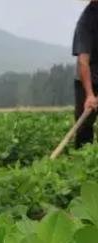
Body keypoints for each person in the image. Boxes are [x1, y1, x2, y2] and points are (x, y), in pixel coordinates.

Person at [73, 0, 98, 148]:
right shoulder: (86, 22)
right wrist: (89, 95)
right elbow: (83, 62)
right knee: (84, 128)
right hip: (87, 79)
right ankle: (83, 161)